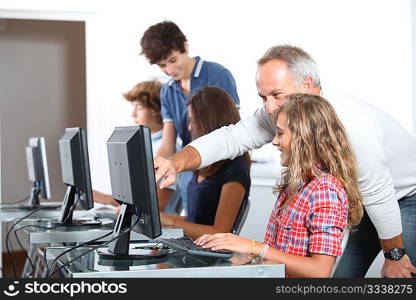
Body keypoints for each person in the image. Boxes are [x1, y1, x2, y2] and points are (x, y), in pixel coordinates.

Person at [155, 45, 416, 278]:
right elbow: (231, 138)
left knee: (400, 273)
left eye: (277, 94)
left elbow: (378, 195)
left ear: (308, 85)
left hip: (401, 197)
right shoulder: (282, 113)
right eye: (263, 97)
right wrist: (175, 163)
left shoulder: (354, 129)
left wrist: (393, 256)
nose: (269, 108)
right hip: (356, 198)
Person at [195, 94, 363, 277]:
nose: (274, 141)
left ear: (304, 138)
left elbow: (320, 271)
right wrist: (239, 252)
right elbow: (278, 256)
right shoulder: (298, 183)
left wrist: (255, 248)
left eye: (280, 133)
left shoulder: (325, 189)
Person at [140, 21, 240, 211]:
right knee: (191, 231)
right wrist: (153, 169)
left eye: (173, 60)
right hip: (190, 172)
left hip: (221, 170)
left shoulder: (217, 75)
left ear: (185, 46)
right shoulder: (168, 91)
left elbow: (235, 132)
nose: (170, 70)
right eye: (162, 66)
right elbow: (168, 143)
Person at [160, 86, 251, 239]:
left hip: (210, 255)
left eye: (193, 121)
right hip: (191, 245)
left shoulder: (235, 169)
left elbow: (220, 231)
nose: (189, 127)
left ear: (209, 123)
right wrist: (159, 219)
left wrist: (169, 221)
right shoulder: (204, 165)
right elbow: (193, 221)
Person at [93, 80, 181, 213]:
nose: (133, 114)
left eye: (139, 107)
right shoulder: (144, 144)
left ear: (157, 110)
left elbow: (159, 203)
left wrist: (107, 199)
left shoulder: (170, 149)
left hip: (160, 227)